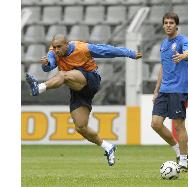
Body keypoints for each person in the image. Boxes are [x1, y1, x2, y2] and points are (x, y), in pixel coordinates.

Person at [25, 34, 142, 166]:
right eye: (54, 47)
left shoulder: (81, 48)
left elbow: (107, 50)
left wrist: (130, 53)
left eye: (59, 47)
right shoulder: (53, 52)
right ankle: (108, 147)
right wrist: (46, 64)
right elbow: (50, 66)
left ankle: (39, 87)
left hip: (91, 79)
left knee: (63, 75)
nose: (56, 49)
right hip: (77, 87)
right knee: (81, 127)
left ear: (67, 44)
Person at [151, 12, 188, 172]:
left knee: (178, 125)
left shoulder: (183, 41)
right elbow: (163, 66)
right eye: (166, 22)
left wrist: (183, 56)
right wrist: (156, 90)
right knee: (155, 123)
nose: (168, 25)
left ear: (176, 25)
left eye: (171, 23)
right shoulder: (164, 43)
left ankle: (183, 161)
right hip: (164, 89)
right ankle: (177, 151)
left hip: (179, 89)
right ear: (163, 25)